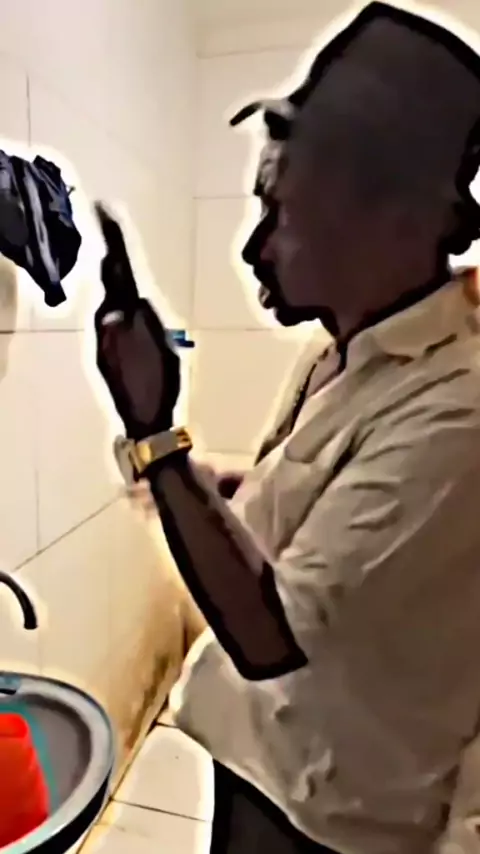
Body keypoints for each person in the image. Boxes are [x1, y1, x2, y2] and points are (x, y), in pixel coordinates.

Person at [92, 3, 480, 852]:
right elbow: (320, 506)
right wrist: (223, 487)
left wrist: (156, 436)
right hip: (270, 756)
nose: (255, 247)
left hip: (331, 815)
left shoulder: (460, 407)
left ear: (401, 220)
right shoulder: (346, 351)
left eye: (285, 213)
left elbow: (273, 637)